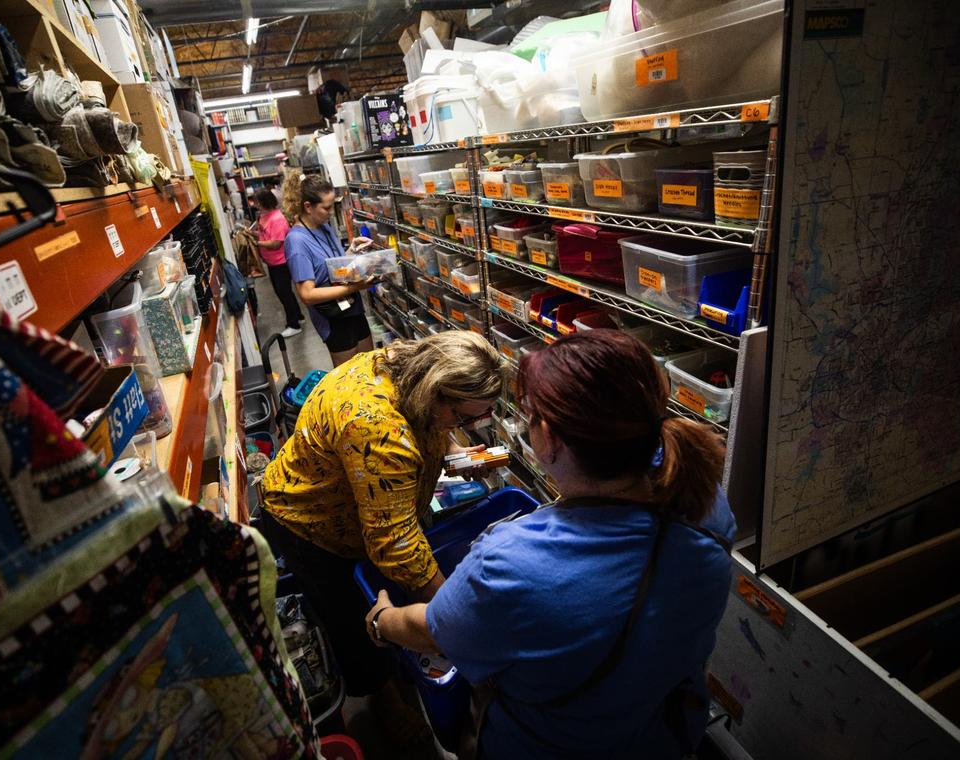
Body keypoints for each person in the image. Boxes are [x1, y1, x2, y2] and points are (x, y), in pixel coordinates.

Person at [365, 330, 737, 758]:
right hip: (661, 733)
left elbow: (433, 632)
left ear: (548, 437)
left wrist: (382, 622)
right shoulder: (708, 505)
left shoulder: (510, 562)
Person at [260, 331, 503, 711]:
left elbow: (429, 424)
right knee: (354, 625)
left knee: (389, 600)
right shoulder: (378, 429)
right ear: (434, 392)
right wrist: (453, 617)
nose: (469, 424)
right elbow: (396, 543)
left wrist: (452, 451)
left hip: (358, 504)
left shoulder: (404, 363)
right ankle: (384, 705)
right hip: (311, 524)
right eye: (460, 417)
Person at [282, 173, 375, 367]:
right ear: (308, 206)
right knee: (349, 380)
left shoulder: (324, 227)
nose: (331, 212)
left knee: (369, 369)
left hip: (353, 309)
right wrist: (354, 288)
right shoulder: (297, 242)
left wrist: (351, 250)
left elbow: (333, 267)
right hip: (334, 319)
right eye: (326, 207)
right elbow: (307, 294)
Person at [253, 190, 303, 338]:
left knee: (283, 292)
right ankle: (299, 316)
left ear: (264, 202)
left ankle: (294, 325)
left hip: (281, 262)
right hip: (272, 262)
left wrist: (257, 243)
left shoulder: (277, 219)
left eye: (258, 202)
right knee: (285, 291)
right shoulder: (265, 217)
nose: (256, 205)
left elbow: (275, 243)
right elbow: (267, 235)